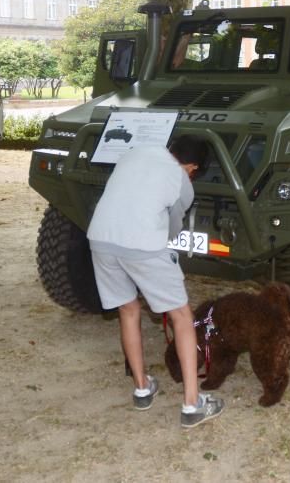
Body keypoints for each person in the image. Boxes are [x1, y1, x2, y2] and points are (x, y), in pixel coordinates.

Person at [87, 135, 225, 428]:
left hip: (100, 237)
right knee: (182, 316)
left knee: (128, 309)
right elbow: (170, 231)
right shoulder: (182, 182)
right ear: (192, 167)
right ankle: (191, 403)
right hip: (142, 244)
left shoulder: (137, 151)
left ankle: (141, 387)